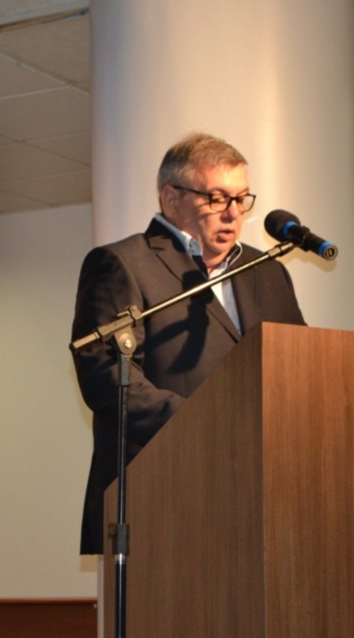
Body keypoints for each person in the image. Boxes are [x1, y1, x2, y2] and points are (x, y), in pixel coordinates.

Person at [70, 133, 307, 554]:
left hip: (259, 491)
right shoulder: (123, 263)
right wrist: (206, 424)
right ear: (171, 199)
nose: (233, 213)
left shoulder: (266, 270)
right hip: (162, 492)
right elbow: (107, 380)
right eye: (217, 198)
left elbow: (298, 366)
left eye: (241, 199)